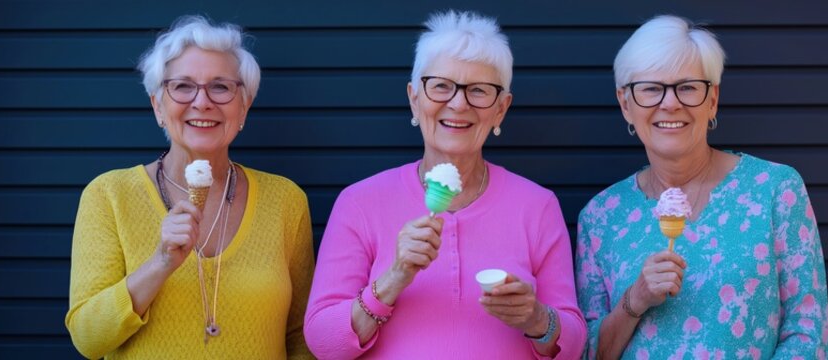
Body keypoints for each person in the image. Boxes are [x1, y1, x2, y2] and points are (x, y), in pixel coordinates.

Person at [304, 10, 586, 359]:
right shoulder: (360, 202)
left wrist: (537, 318)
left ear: (501, 109)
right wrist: (393, 278)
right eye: (441, 86)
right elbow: (323, 342)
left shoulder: (537, 205)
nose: (458, 103)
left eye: (479, 91)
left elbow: (573, 344)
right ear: (414, 98)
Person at [575, 15, 828, 359]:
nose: (670, 103)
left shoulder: (775, 190)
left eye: (688, 86)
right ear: (625, 104)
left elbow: (808, 334)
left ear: (712, 99)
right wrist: (633, 302)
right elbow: (587, 353)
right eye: (651, 88)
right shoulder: (601, 217)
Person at [65, 15, 314, 359]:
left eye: (221, 87)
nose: (202, 102)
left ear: (245, 106)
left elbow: (302, 336)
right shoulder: (109, 195)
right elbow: (88, 338)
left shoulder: (285, 200)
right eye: (182, 86)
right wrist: (160, 263)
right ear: (158, 106)